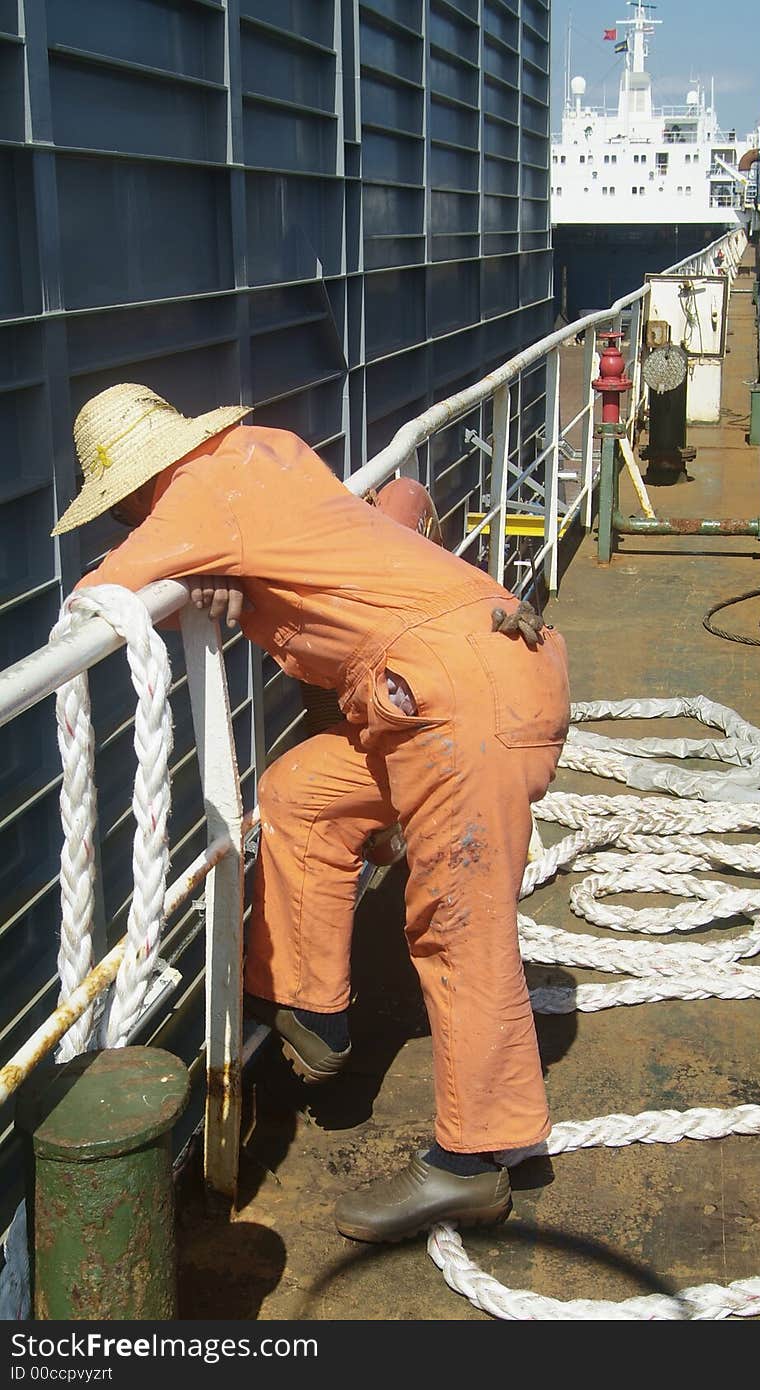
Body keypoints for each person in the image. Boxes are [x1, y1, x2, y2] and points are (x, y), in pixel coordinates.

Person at [54, 382, 571, 1243]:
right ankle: (309, 1005)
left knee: (457, 923)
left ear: (137, 486)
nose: (127, 524)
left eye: (121, 509)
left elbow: (99, 598)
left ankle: (473, 1162)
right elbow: (381, 514)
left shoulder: (199, 495)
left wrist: (188, 570)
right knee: (303, 794)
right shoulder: (264, 454)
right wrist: (220, 571)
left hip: (463, 707)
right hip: (449, 687)